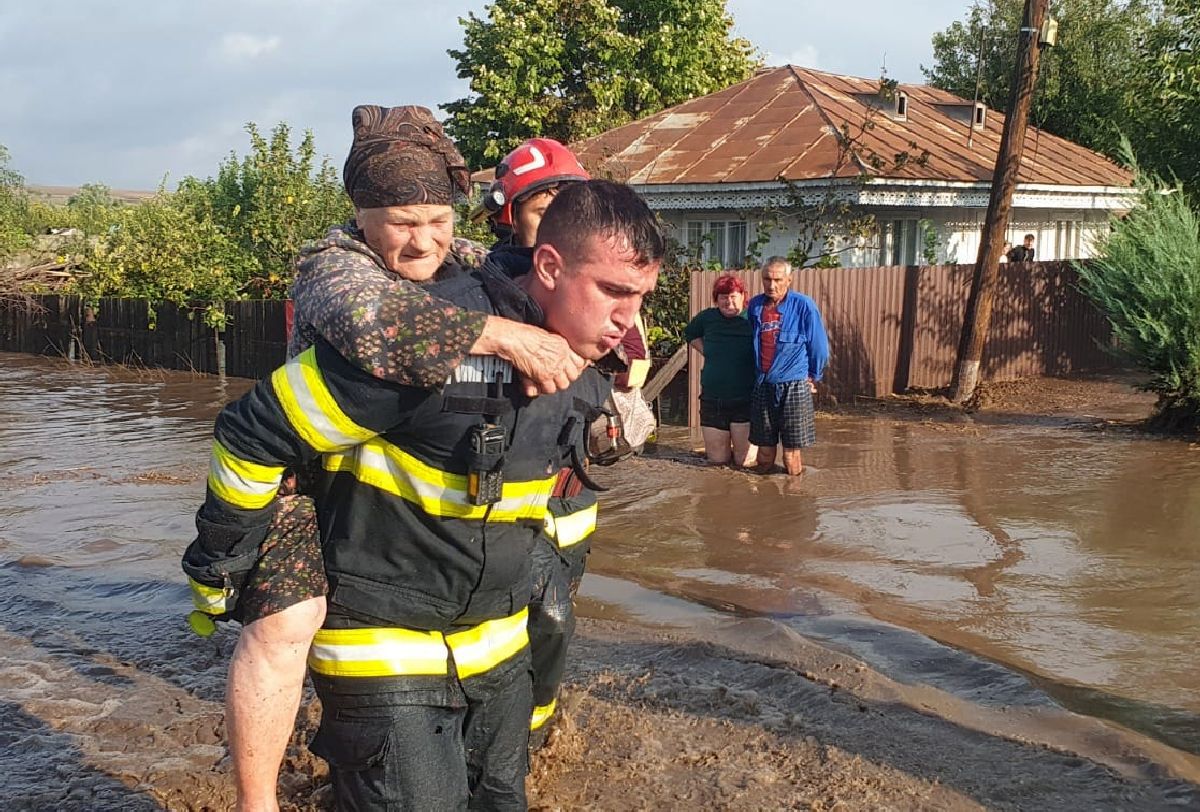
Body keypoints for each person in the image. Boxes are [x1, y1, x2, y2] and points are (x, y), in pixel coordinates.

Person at [184, 174, 664, 810]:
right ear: (549, 265)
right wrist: (221, 562)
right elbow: (254, 432)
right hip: (384, 649)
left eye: (641, 297)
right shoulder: (423, 344)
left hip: (495, 649)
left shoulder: (585, 355)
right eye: (613, 292)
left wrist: (609, 432)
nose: (627, 321)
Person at [747, 257, 829, 477]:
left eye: (777, 279)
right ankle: (764, 501)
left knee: (791, 454)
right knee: (763, 451)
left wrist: (813, 377)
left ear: (789, 280)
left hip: (794, 386)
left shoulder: (804, 306)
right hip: (763, 385)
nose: (771, 285)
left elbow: (819, 348)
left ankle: (793, 501)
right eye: (767, 279)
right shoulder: (755, 306)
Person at [683, 273, 757, 467]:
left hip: (746, 398)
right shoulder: (707, 317)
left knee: (745, 462)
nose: (728, 301)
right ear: (716, 299)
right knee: (717, 462)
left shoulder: (753, 318)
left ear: (743, 296)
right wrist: (707, 351)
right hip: (713, 399)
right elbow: (690, 333)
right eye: (723, 297)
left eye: (733, 295)